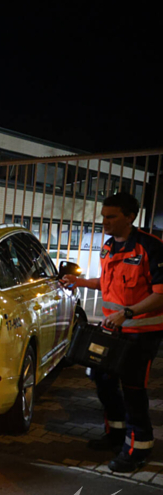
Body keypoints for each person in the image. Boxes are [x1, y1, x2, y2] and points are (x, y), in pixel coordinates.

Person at [61, 191, 163, 472]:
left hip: (141, 334)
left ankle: (138, 447)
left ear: (130, 217)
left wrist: (127, 313)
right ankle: (116, 434)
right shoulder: (107, 247)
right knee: (103, 379)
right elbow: (107, 284)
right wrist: (79, 281)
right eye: (104, 216)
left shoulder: (150, 247)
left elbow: (160, 294)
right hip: (113, 331)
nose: (105, 221)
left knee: (133, 390)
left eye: (112, 216)